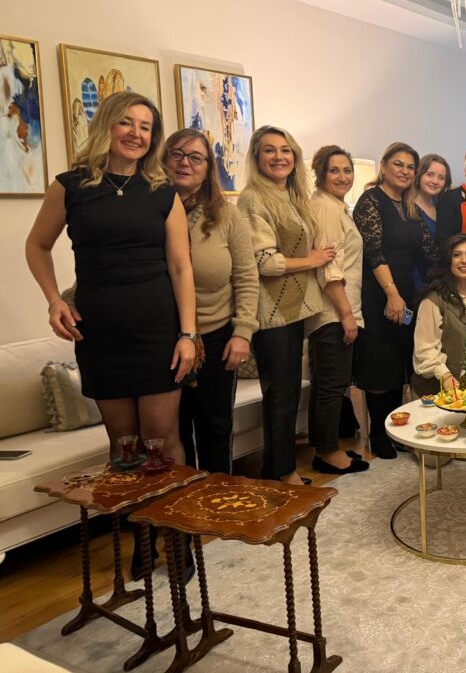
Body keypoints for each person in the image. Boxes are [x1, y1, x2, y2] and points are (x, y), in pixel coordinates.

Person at [26, 92, 197, 579]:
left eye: (145, 126)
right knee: (123, 444)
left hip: (157, 330)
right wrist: (54, 300)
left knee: (162, 439)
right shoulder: (71, 187)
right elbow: (37, 246)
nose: (136, 134)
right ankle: (140, 538)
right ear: (106, 125)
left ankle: (175, 538)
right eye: (126, 122)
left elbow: (181, 267)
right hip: (100, 333)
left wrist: (188, 333)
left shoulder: (162, 192)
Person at [163, 128, 258, 475]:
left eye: (196, 157)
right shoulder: (147, 210)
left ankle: (218, 501)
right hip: (161, 338)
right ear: (163, 160)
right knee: (171, 432)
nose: (185, 163)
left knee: (215, 427)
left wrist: (243, 332)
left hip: (215, 337)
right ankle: (182, 504)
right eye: (177, 154)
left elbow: (246, 276)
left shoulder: (226, 215)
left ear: (208, 168)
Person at [238, 125, 327, 486]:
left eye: (285, 150)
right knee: (280, 394)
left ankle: (277, 467)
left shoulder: (291, 197)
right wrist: (312, 260)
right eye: (270, 150)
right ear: (257, 157)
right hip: (269, 310)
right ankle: (281, 472)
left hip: (293, 307)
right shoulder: (252, 199)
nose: (279, 157)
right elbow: (265, 262)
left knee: (287, 391)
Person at [353, 142, 438, 459]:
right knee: (381, 364)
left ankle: (395, 429)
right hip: (379, 293)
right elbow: (373, 251)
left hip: (407, 293)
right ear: (384, 166)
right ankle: (378, 434)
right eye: (398, 164)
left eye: (410, 167)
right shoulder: (370, 200)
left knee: (400, 364)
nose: (404, 171)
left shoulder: (410, 205)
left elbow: (428, 251)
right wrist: (392, 294)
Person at [306, 146, 370, 476]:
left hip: (334, 310)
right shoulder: (326, 209)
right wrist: (347, 315)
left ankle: (325, 447)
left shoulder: (335, 206)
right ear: (320, 173)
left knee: (325, 384)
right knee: (333, 385)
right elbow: (329, 269)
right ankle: (328, 453)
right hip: (333, 311)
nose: (343, 176)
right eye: (334, 170)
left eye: (347, 170)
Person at [411, 234, 466, 395]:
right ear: (447, 260)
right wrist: (446, 377)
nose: (464, 260)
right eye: (456, 255)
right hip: (441, 393)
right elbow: (425, 349)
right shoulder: (433, 299)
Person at [413, 153, 450, 290]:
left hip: (439, 281)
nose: (435, 181)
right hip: (414, 281)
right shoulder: (406, 206)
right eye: (429, 174)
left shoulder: (443, 206)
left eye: (441, 177)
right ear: (419, 175)